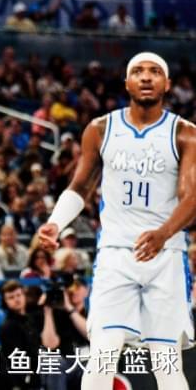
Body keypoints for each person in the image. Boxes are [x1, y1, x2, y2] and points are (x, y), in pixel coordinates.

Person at [38, 52, 195, 390]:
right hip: (115, 254)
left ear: (167, 84)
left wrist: (164, 233)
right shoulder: (100, 129)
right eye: (138, 71)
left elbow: (192, 197)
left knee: (166, 361)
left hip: (166, 256)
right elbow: (80, 186)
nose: (146, 77)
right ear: (127, 83)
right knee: (102, 356)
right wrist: (56, 222)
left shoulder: (185, 134)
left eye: (155, 71)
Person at [0, 281, 57, 390]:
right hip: (26, 378)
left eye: (19, 295)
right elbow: (17, 359)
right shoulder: (8, 327)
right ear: (5, 302)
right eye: (11, 297)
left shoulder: (31, 319)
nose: (16, 299)